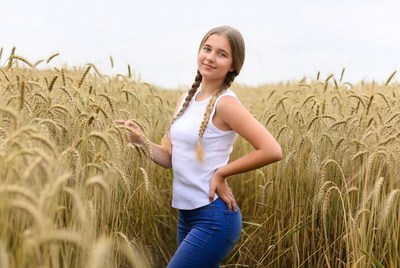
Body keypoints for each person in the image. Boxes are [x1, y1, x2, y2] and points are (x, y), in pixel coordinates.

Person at [115, 25, 282, 268]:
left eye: (222, 54)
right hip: (187, 215)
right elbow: (170, 159)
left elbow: (272, 150)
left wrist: (222, 172)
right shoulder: (185, 100)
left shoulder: (226, 104)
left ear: (233, 65)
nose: (211, 57)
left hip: (214, 218)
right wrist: (140, 141)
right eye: (207, 49)